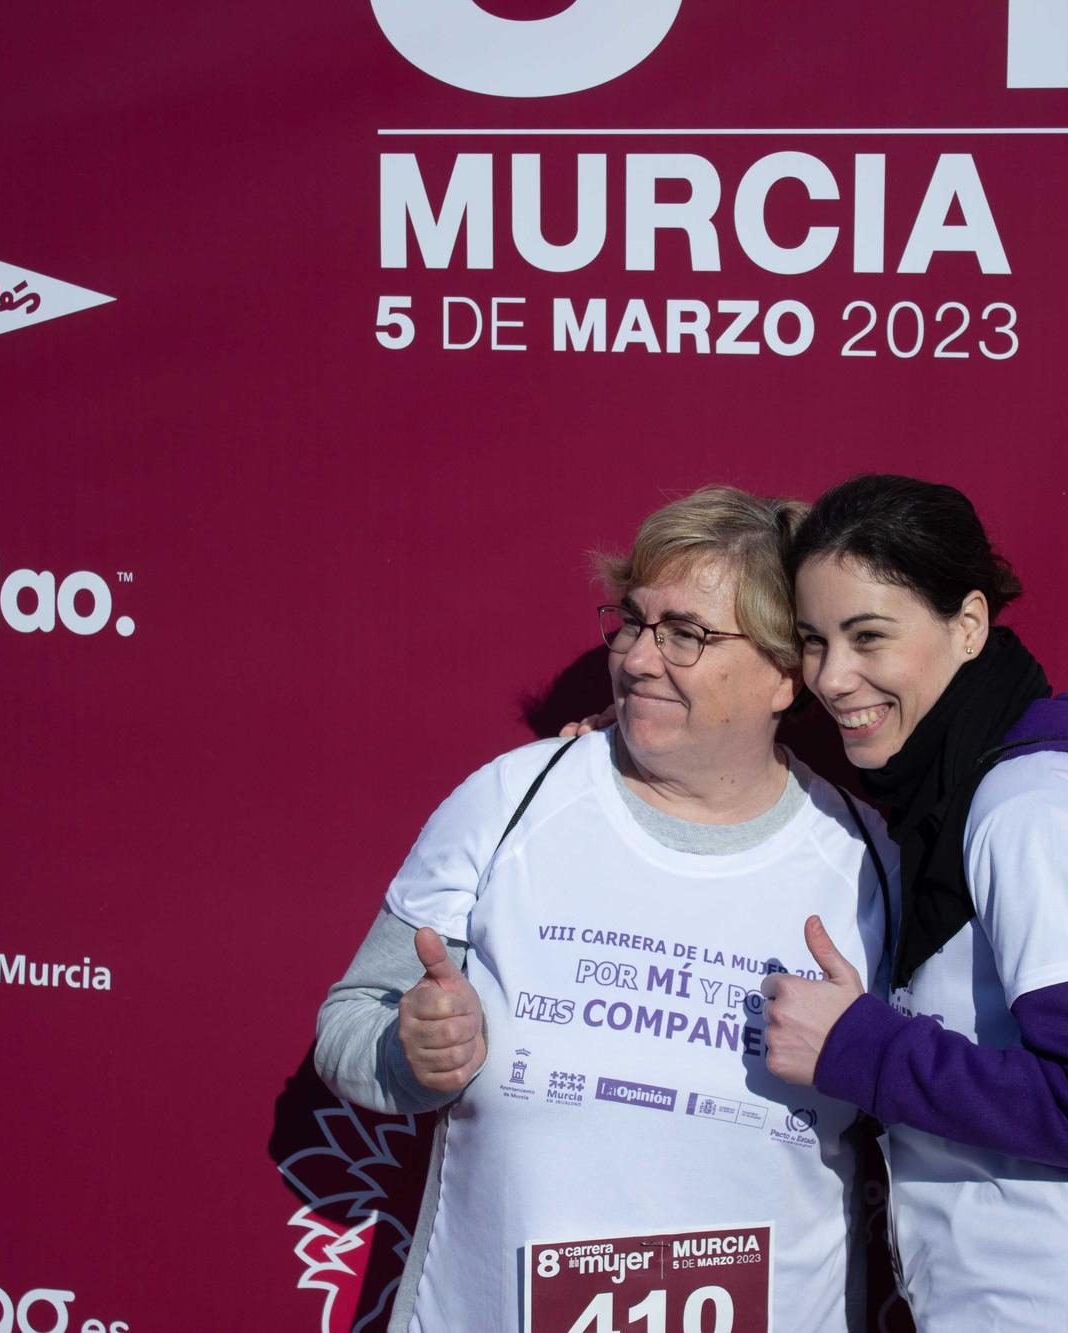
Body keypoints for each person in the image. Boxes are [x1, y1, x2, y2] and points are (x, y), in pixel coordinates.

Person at [315, 486, 892, 1333]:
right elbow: (349, 1020)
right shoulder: (510, 801)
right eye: (633, 621)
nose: (639, 659)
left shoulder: (866, 863)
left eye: (686, 634)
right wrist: (409, 1052)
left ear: (783, 673)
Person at [760, 474, 1068, 1330]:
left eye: (868, 636)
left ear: (968, 624)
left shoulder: (1034, 808)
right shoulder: (950, 801)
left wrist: (861, 1047)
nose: (831, 676)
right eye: (813, 641)